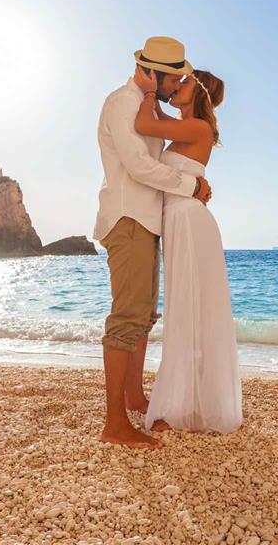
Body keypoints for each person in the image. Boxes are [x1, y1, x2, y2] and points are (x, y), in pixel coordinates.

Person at [93, 35, 212, 449]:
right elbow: (139, 166)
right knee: (128, 318)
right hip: (128, 219)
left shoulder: (143, 104)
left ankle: (134, 398)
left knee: (143, 317)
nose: (174, 85)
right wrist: (189, 184)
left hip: (145, 222)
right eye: (172, 78)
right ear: (151, 73)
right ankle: (114, 423)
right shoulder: (122, 103)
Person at [134, 66, 242, 434]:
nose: (176, 86)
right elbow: (156, 121)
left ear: (198, 92)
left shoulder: (198, 128)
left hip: (190, 222)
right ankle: (186, 404)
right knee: (184, 309)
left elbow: (146, 125)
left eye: (184, 82)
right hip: (177, 222)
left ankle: (185, 409)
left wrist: (148, 90)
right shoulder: (183, 123)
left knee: (191, 310)